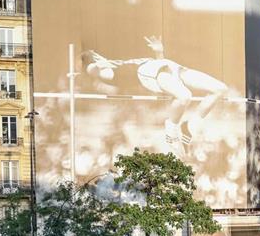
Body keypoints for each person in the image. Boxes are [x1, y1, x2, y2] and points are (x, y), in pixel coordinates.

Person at [81, 35, 231, 152]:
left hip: (169, 66)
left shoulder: (113, 63)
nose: (98, 54)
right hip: (149, 74)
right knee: (185, 96)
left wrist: (159, 52)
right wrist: (95, 63)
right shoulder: (108, 72)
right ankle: (171, 130)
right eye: (94, 55)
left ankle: (189, 125)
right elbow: (91, 70)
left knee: (220, 88)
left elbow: (160, 63)